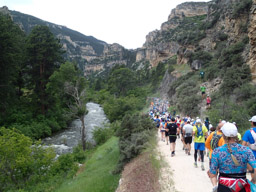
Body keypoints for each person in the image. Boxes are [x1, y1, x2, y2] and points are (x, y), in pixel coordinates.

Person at [208, 122, 256, 192]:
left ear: (223, 135)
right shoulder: (246, 150)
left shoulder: (217, 151)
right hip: (242, 187)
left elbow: (212, 173)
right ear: (236, 135)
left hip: (224, 188)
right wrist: (252, 182)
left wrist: (215, 186)